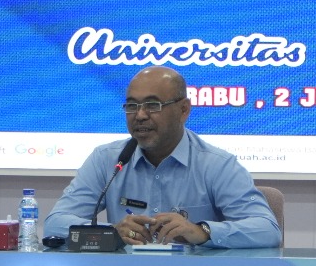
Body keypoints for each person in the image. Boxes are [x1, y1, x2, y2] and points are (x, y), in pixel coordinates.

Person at [44, 66, 280, 248]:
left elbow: (267, 230)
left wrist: (202, 231)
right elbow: (55, 224)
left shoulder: (216, 164)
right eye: (132, 106)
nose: (140, 116)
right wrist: (112, 231)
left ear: (184, 110)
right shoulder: (107, 160)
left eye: (152, 105)